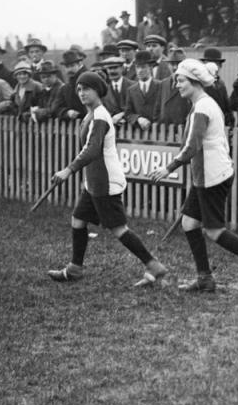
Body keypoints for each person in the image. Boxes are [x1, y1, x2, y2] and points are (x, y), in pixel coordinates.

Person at [149, 59, 238, 295]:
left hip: (213, 176)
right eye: (177, 80)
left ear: (195, 82)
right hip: (204, 175)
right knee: (189, 223)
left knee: (214, 230)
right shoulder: (200, 104)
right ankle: (205, 278)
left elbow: (192, 146)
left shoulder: (203, 108)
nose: (177, 85)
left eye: (181, 80)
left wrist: (169, 168)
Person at [48, 71, 167, 285]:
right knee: (78, 220)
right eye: (80, 89)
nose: (82, 93)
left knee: (118, 228)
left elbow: (93, 150)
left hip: (105, 182)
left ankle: (153, 265)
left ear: (98, 91)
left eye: (87, 89)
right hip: (93, 181)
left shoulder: (101, 116)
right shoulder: (91, 114)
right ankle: (75, 268)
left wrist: (68, 170)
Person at [125, 50, 164, 131]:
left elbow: (164, 110)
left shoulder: (161, 86)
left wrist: (154, 124)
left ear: (150, 67)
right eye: (137, 67)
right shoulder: (131, 90)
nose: (139, 70)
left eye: (143, 67)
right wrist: (138, 119)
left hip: (158, 132)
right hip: (138, 134)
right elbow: (128, 113)